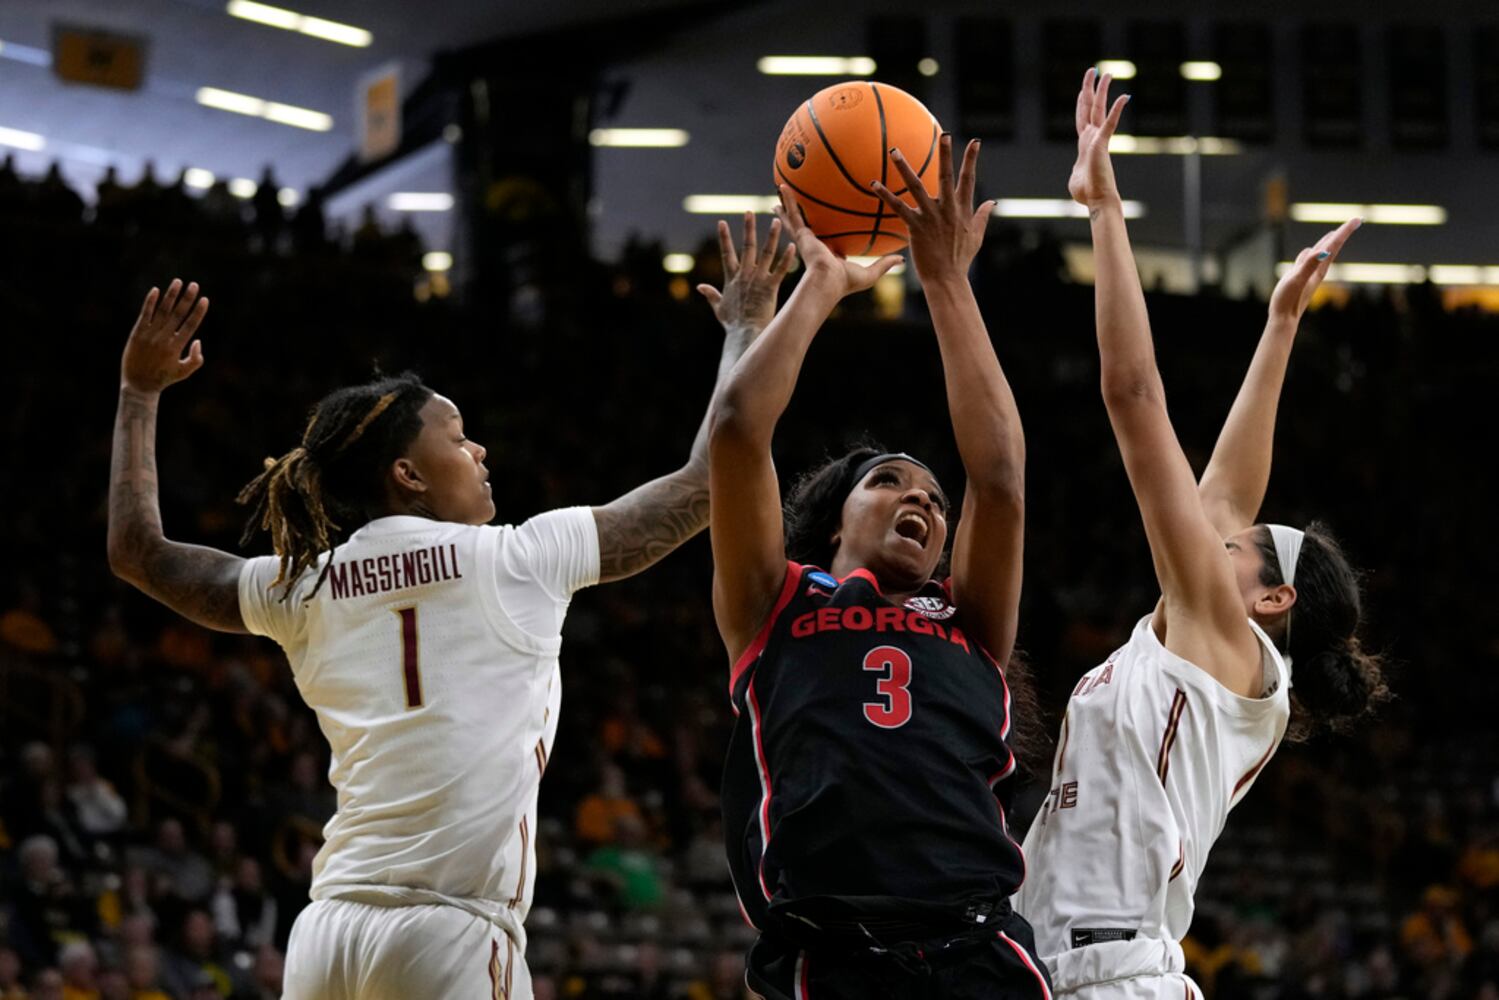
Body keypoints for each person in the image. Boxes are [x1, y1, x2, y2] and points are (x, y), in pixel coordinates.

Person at [104, 214, 791, 1000]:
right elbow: (708, 481)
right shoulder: (518, 558)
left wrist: (138, 393)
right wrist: (747, 326)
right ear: (408, 474)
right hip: (447, 932)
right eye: (458, 438)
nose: (479, 450)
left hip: (327, 936)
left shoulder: (299, 585)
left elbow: (137, 552)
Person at [1013, 68, 1388, 998]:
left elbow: (1132, 395)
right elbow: (1228, 490)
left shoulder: (1219, 637)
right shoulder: (1221, 644)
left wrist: (1104, 210)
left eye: (1237, 541)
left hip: (1105, 974)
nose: (1214, 529)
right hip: (1073, 962)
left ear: (1272, 596)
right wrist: (1279, 324)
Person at [710, 136, 1051, 998]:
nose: (923, 501)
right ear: (834, 521)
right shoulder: (775, 600)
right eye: (889, 481)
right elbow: (738, 430)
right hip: (834, 953)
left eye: (933, 498)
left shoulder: (969, 616)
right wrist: (821, 285)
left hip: (978, 948)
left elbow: (1000, 476)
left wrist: (946, 282)